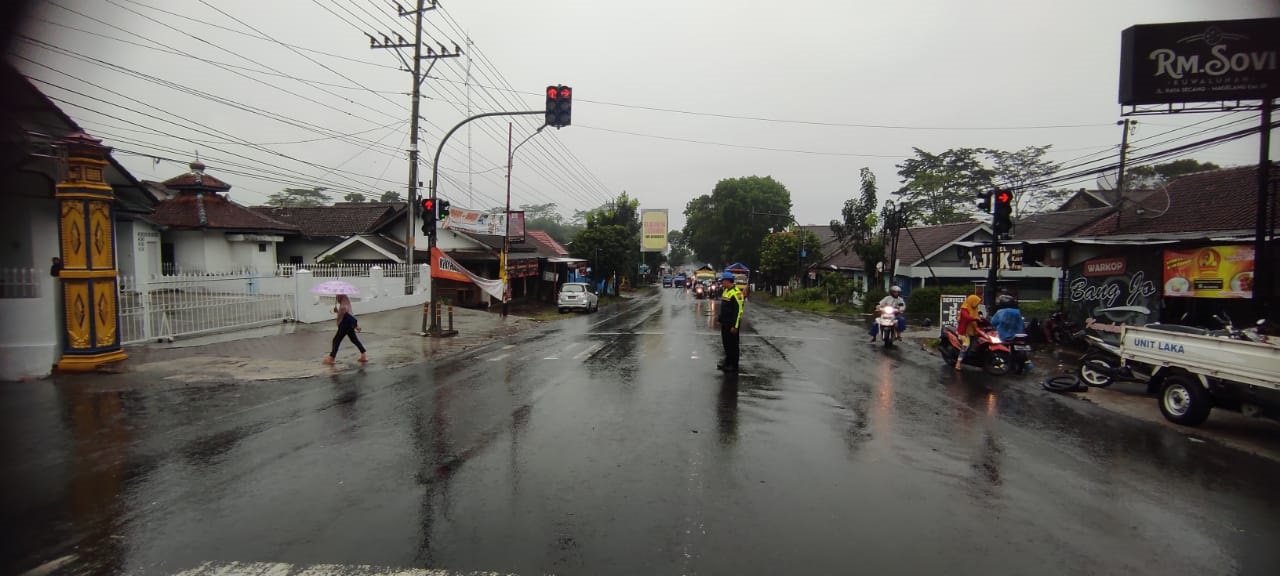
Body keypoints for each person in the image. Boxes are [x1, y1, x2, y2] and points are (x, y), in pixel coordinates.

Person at [324, 294, 367, 365]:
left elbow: (345, 314)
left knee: (336, 340)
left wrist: (340, 311)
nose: (337, 299)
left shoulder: (343, 306)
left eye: (338, 297)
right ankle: (364, 355)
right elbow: (350, 315)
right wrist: (337, 311)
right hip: (349, 325)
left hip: (345, 325)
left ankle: (331, 358)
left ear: (341, 298)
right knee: (354, 339)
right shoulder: (346, 304)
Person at [715, 271, 745, 372]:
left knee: (733, 345)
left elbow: (739, 311)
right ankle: (727, 363)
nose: (722, 283)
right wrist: (720, 319)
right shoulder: (726, 291)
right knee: (726, 344)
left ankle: (734, 365)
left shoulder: (736, 293)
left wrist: (735, 326)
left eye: (723, 281)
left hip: (732, 324)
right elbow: (724, 308)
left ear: (728, 281)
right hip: (725, 323)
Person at [955, 294, 983, 370]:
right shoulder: (964, 308)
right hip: (964, 331)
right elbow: (966, 317)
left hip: (973, 330)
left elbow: (977, 316)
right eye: (976, 302)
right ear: (972, 301)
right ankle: (958, 363)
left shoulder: (975, 308)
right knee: (966, 345)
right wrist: (975, 318)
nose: (977, 304)